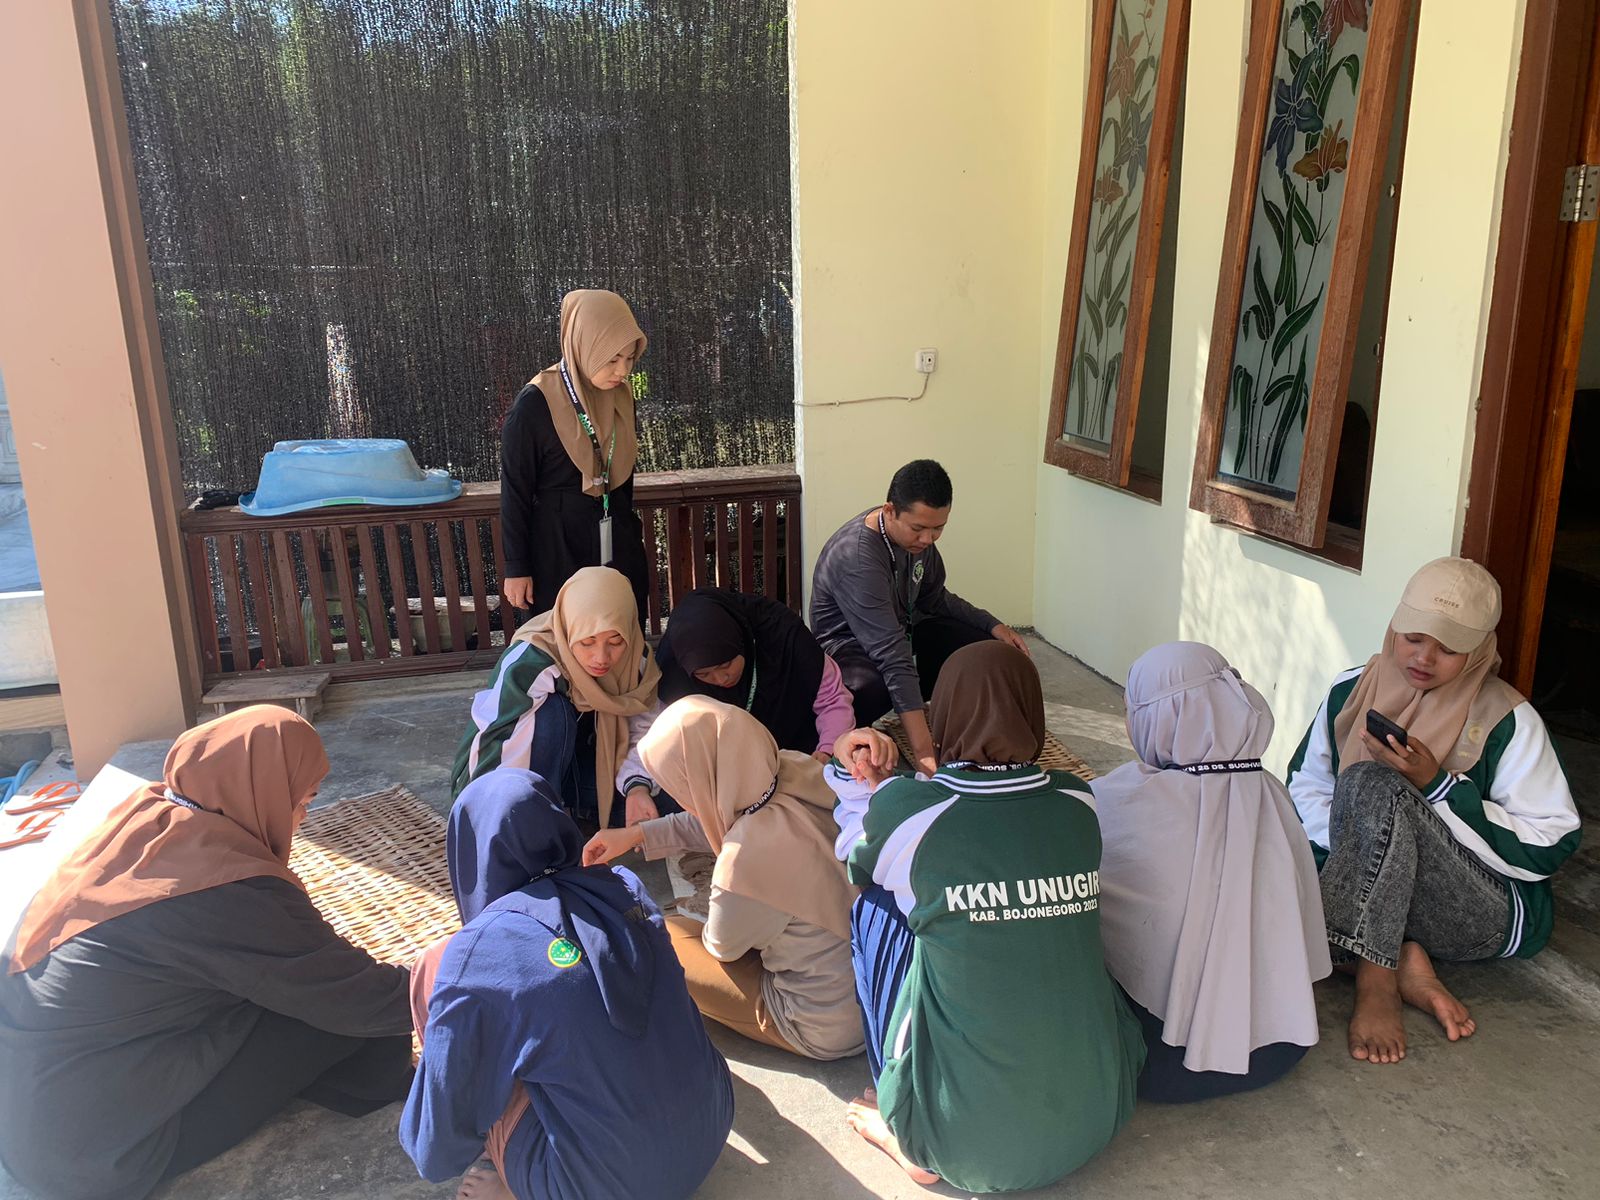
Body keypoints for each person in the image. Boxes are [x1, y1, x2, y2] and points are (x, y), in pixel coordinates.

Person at [0, 708, 413, 1200]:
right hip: (96, 1157)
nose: (301, 819)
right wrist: (473, 978)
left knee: (281, 982)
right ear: (262, 793)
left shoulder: (148, 816)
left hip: (25, 1115)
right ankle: (395, 1093)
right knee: (359, 1016)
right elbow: (361, 998)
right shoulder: (228, 888)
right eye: (302, 800)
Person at [827, 642, 1143, 1192]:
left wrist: (876, 785)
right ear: (1032, 711)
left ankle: (908, 1131)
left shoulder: (913, 811)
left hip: (962, 1145)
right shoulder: (1079, 799)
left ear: (942, 714)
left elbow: (861, 863)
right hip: (1100, 1113)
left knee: (875, 907)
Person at [1286, 557, 1582, 1065]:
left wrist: (1439, 787)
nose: (1425, 658)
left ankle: (1374, 979)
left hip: (1478, 910)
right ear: (1395, 625)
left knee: (1367, 781)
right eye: (1414, 637)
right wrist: (1364, 852)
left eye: (1450, 648)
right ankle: (1401, 957)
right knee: (1252, 877)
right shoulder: (1352, 688)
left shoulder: (1507, 719)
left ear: (1479, 650)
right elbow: (1304, 785)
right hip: (1387, 896)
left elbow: (1549, 844)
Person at [400, 770, 733, 1200]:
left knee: (432, 969)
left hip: (599, 1187)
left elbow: (436, 1154)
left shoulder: (477, 954)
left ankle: (516, 1176)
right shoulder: (624, 888)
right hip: (710, 1128)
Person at [1092, 642, 1330, 1102]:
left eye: (1133, 708)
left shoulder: (1116, 801)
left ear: (1164, 718)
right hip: (1282, 1045)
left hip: (1150, 1061)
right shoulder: (1273, 797)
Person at [584, 696, 863, 1060]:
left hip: (821, 1023)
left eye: (679, 785)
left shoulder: (744, 860)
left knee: (658, 936)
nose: (682, 800)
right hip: (876, 993)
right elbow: (728, 815)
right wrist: (639, 835)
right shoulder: (792, 769)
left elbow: (722, 946)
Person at [809, 458, 1028, 775]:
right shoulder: (858, 558)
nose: (928, 540)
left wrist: (992, 624)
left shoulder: (915, 539)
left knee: (982, 649)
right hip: (849, 649)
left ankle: (960, 730)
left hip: (902, 632)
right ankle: (858, 739)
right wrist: (925, 756)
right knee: (879, 683)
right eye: (919, 529)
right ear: (889, 511)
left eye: (938, 528)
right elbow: (891, 655)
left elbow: (935, 598)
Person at [452, 566, 664, 829]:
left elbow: (649, 733)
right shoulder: (530, 661)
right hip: (519, 778)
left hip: (594, 772)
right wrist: (488, 822)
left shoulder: (637, 662)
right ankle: (541, 821)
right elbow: (497, 742)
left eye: (615, 641)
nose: (601, 657)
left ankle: (580, 816)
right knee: (554, 714)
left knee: (671, 806)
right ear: (568, 626)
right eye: (587, 642)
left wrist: (638, 788)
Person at [499, 289, 651, 621]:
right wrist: (516, 566)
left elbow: (621, 475)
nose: (623, 370)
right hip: (556, 551)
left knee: (618, 636)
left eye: (629, 358)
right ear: (583, 345)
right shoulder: (535, 404)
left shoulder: (621, 397)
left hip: (616, 542)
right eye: (612, 359)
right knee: (562, 644)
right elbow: (515, 492)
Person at [656, 586, 854, 761]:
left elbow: (832, 700)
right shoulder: (673, 672)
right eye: (704, 675)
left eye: (726, 664)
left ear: (742, 640)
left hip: (805, 758)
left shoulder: (783, 635)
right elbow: (672, 743)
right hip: (726, 775)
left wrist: (828, 749)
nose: (720, 678)